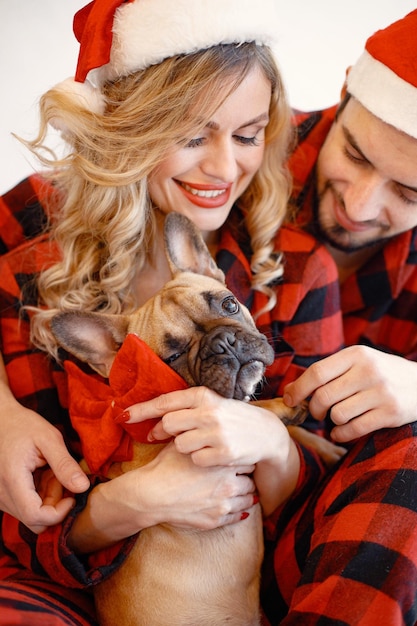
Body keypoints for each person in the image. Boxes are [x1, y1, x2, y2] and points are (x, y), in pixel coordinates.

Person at [0, 0, 344, 623]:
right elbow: (32, 524)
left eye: (247, 135)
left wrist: (272, 439)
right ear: (130, 130)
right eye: (190, 136)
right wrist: (124, 504)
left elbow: (329, 508)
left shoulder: (294, 267)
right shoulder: (34, 264)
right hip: (79, 573)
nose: (223, 167)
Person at [125, 9, 417, 625]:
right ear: (343, 94)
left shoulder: (309, 265)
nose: (362, 205)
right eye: (357, 154)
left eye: (411, 194)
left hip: (335, 516)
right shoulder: (231, 155)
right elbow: (46, 228)